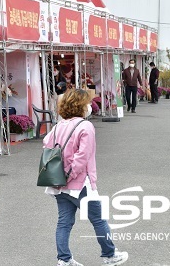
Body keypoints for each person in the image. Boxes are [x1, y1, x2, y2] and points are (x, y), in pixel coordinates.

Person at [44, 89, 129, 266]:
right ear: (81, 106)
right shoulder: (85, 126)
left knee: (64, 222)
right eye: (88, 103)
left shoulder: (58, 125)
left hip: (58, 182)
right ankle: (109, 254)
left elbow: (46, 145)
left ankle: (64, 259)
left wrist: (63, 173)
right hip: (80, 183)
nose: (90, 106)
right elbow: (82, 157)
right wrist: (70, 173)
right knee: (98, 218)